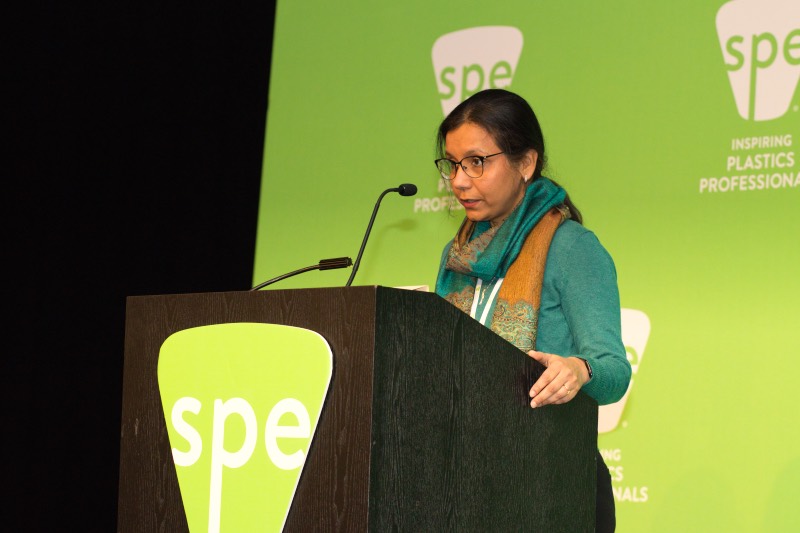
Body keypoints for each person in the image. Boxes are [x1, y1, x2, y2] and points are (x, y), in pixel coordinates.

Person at [433, 88, 631, 532]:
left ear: (525, 162)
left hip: (553, 482)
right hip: (463, 482)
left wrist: (579, 370)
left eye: (477, 162)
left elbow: (614, 371)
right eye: (453, 164)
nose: (459, 181)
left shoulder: (571, 247)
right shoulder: (457, 256)